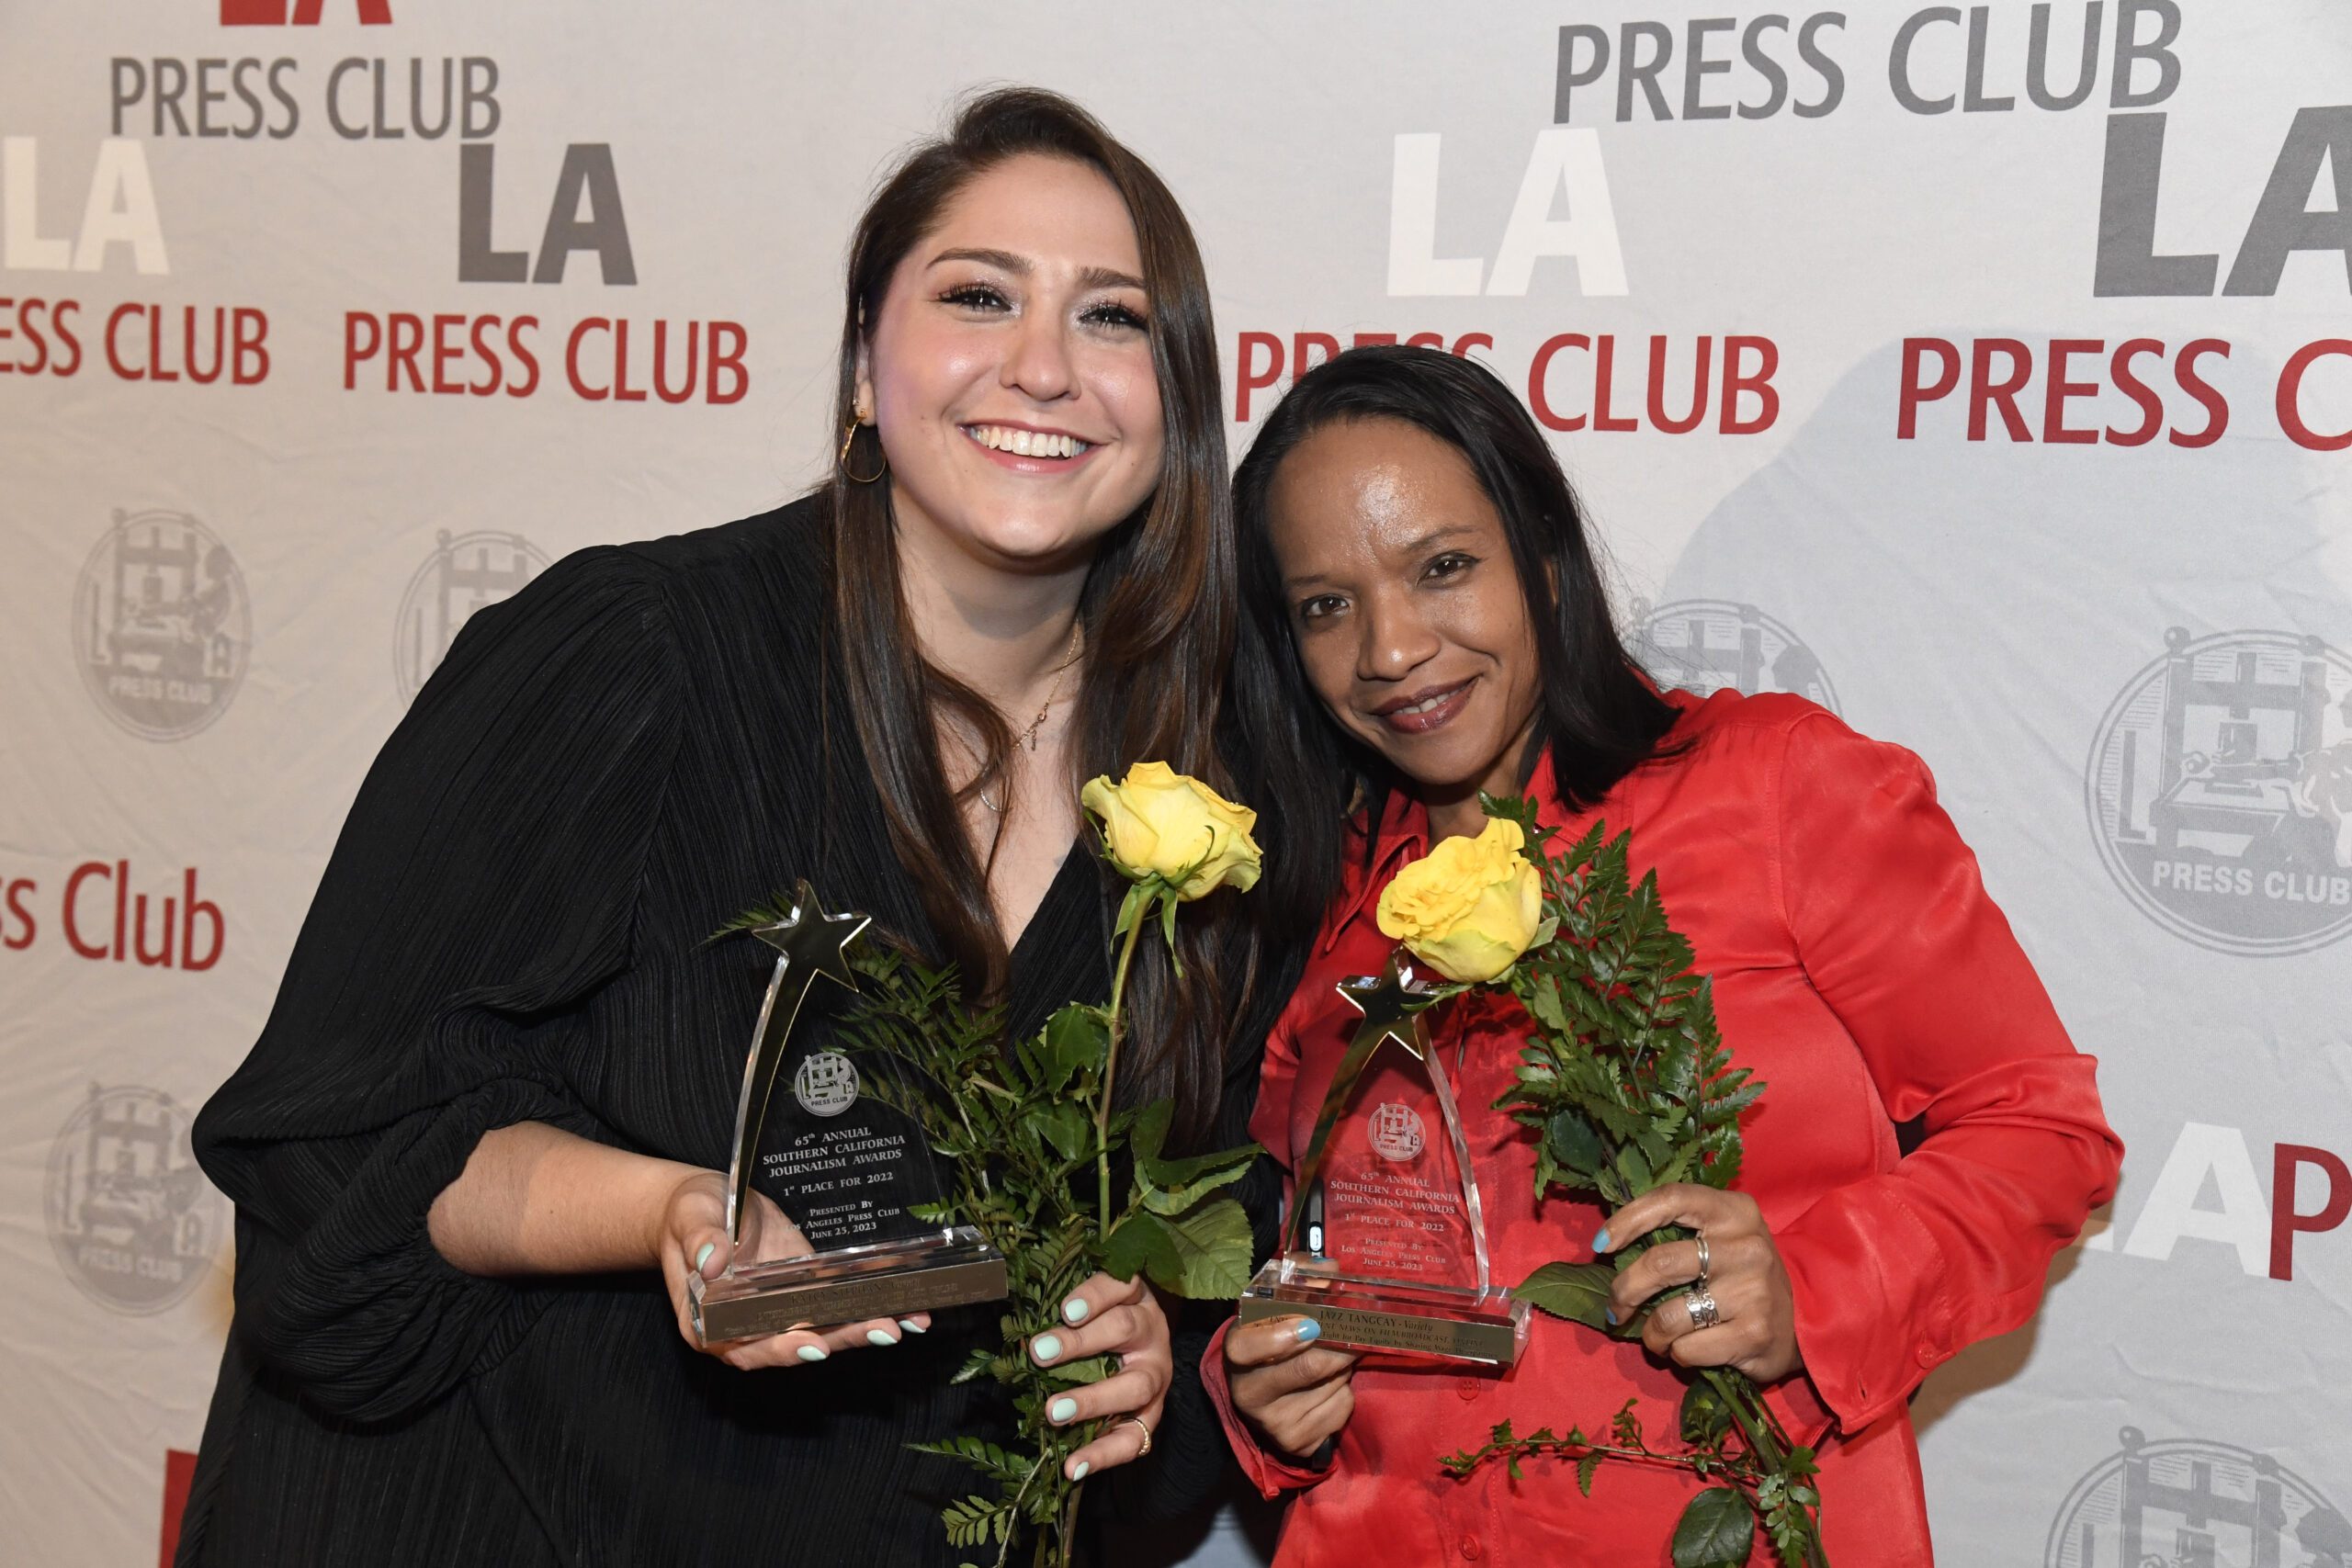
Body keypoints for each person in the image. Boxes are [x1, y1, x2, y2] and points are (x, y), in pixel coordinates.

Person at [178, 88, 1283, 1567]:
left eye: (1113, 320)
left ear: (1178, 398)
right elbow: (342, 1152)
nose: (1043, 367)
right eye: (978, 296)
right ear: (861, 361)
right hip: (491, 1517)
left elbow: (1174, 1238)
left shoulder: (1193, 786)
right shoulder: (632, 656)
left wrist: (1132, 1342)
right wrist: (669, 1210)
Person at [1206, 345, 2123, 1565]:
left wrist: (1817, 1290)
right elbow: (1314, 1255)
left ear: (1541, 553)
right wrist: (1264, 1389)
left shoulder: (1778, 789)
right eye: (1326, 604)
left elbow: (2040, 1130)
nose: (1389, 648)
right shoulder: (1318, 907)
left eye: (1442, 569)